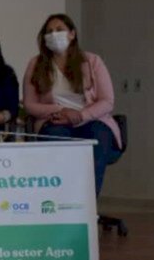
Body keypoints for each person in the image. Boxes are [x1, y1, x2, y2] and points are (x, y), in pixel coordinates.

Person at [23, 13, 122, 195]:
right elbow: (29, 104)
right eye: (49, 31)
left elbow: (107, 101)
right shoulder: (36, 64)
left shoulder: (92, 61)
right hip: (55, 120)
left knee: (96, 138)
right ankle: (60, 204)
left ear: (72, 34)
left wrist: (80, 115)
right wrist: (62, 111)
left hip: (92, 120)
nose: (54, 34)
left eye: (60, 30)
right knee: (55, 138)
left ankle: (88, 207)